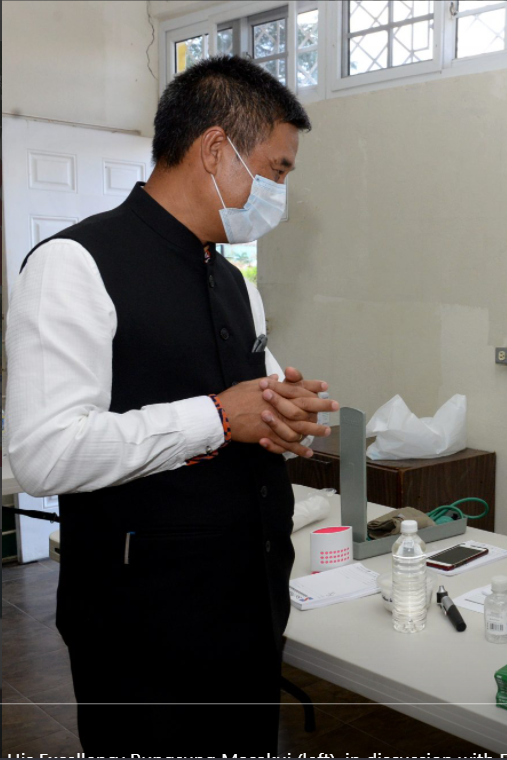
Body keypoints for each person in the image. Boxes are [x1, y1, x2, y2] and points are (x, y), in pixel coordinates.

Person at [6, 56, 337, 754]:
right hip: (144, 630)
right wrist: (217, 417)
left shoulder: (232, 278)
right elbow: (42, 453)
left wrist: (282, 412)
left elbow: (253, 394)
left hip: (248, 609)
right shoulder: (74, 265)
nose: (279, 190)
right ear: (215, 150)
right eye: (276, 170)